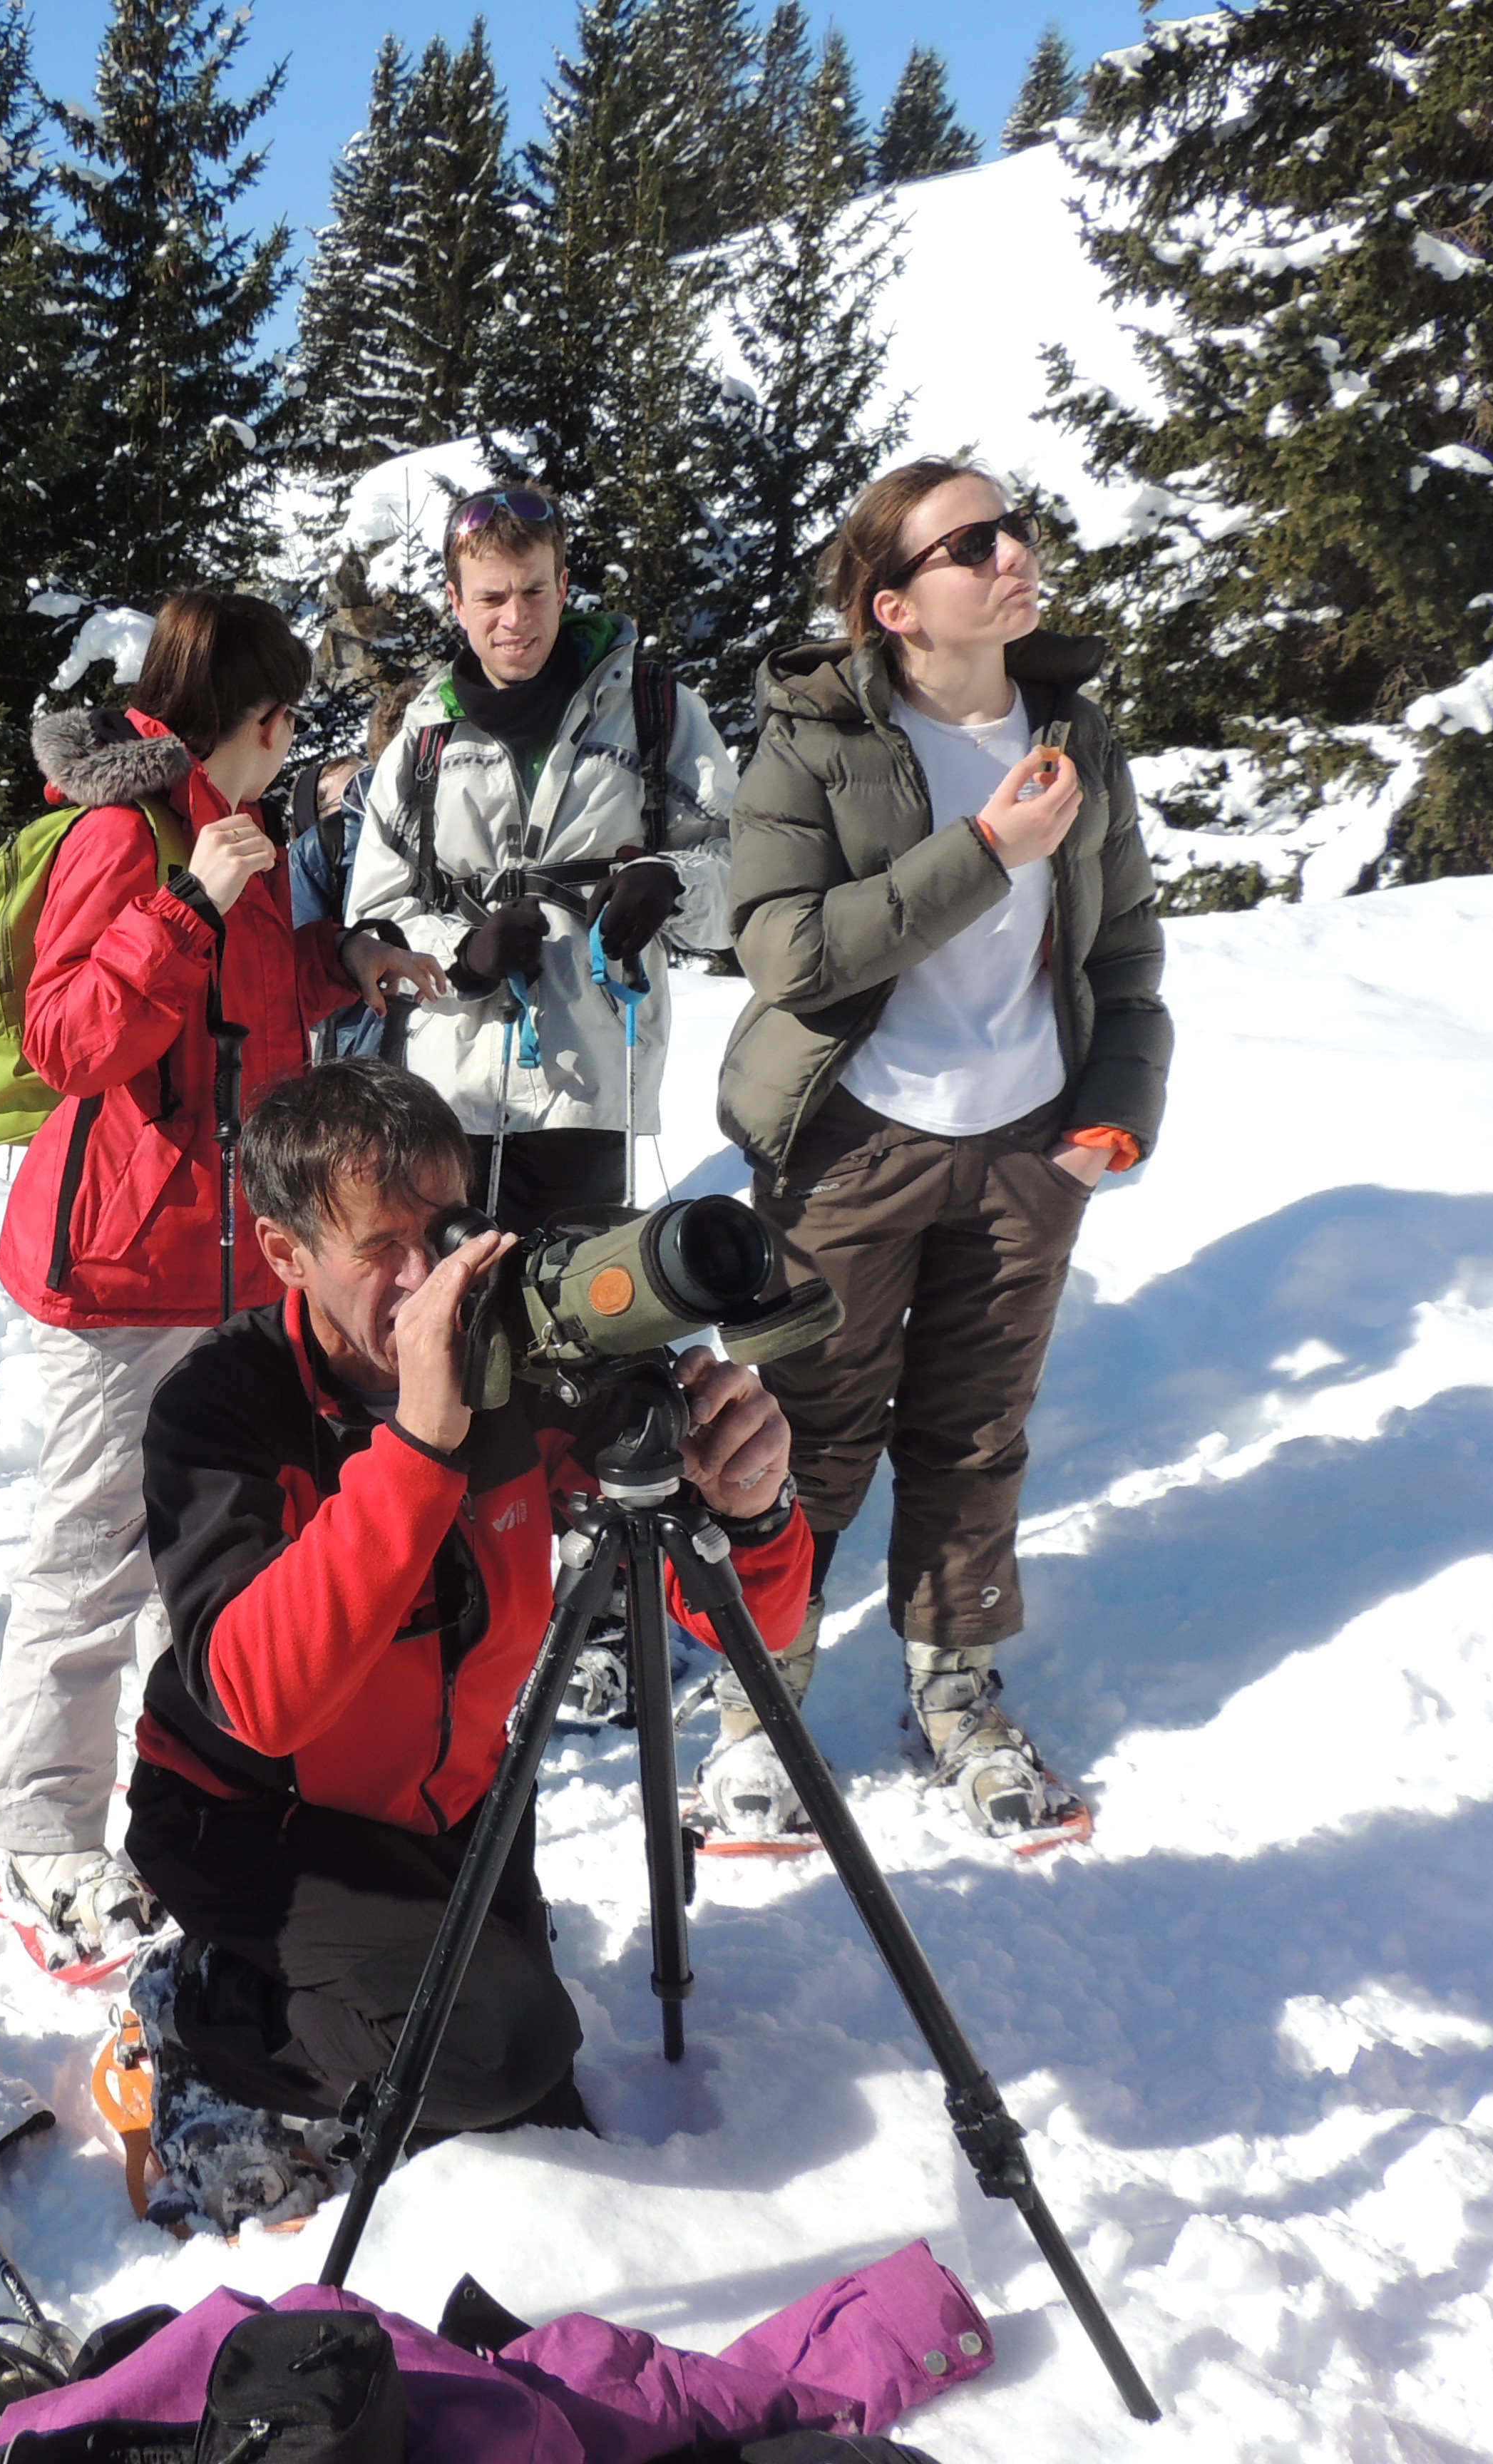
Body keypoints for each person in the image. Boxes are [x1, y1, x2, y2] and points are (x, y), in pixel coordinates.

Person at [123, 1061, 813, 2219]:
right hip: (254, 1822)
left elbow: (756, 1623)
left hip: (455, 1809)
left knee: (521, 2093)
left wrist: (749, 1505)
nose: (421, 1278)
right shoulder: (219, 1408)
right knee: (504, 2049)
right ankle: (200, 2011)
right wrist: (418, 1445)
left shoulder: (517, 1362)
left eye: (442, 1230)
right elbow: (256, 1697)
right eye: (374, 1247)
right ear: (284, 1250)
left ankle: (365, 1995)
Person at [0, 593, 444, 1978]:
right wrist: (189, 904)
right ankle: (39, 1834)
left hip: (230, 1262)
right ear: (247, 721)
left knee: (222, 1555)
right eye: (285, 717)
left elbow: (248, 1011)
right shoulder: (134, 838)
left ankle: (202, 1800)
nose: (295, 742)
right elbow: (67, 1039)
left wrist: (342, 962)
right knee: (95, 1556)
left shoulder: (234, 842)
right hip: (120, 1272)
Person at [713, 458, 1171, 1843]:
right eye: (972, 543)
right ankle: (758, 1701)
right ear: (896, 604)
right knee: (804, 1436)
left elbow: (1127, 949)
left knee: (976, 1439)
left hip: (1030, 1150)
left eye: (1014, 527)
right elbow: (783, 950)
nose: (1011, 553)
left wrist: (1111, 1114)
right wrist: (982, 846)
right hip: (852, 1144)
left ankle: (956, 1687)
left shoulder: (1074, 730)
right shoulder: (814, 738)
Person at [339, 486, 739, 1229]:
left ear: (563, 587)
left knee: (585, 1325)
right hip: (447, 1093)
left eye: (532, 591)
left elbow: (744, 879)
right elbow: (372, 920)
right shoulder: (424, 739)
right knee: (456, 1322)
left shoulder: (657, 711)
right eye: (491, 597)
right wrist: (460, 958)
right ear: (455, 603)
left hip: (594, 1082)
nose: (515, 619)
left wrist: (671, 886)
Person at [287, 692, 411, 1061]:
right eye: (347, 796)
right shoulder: (318, 852)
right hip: (353, 1048)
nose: (362, 798)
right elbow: (305, 966)